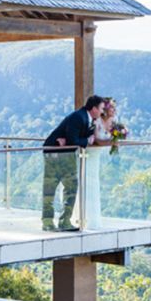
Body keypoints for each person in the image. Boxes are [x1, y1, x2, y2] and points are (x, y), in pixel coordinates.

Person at [42, 95, 105, 231]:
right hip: (55, 153)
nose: (102, 112)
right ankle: (47, 222)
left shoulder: (87, 118)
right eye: (100, 109)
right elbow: (72, 140)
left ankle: (65, 221)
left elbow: (71, 139)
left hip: (66, 154)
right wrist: (86, 141)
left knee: (71, 187)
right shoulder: (78, 117)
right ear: (93, 108)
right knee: (51, 187)